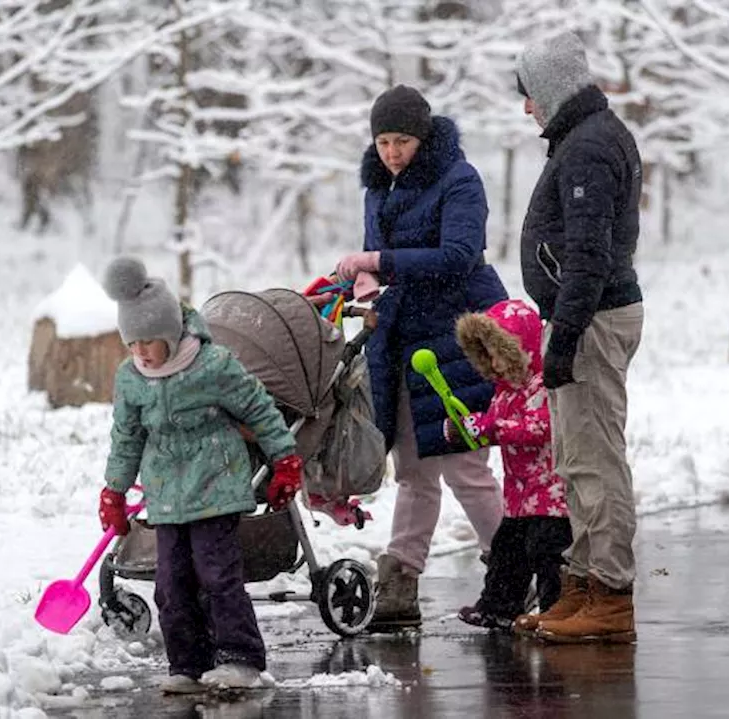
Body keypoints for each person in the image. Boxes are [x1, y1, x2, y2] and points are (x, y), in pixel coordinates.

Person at [332, 84, 508, 630]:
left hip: (454, 336)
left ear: (423, 135)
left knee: (464, 465)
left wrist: (379, 259)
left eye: (402, 140)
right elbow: (384, 263)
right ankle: (401, 580)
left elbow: (459, 255)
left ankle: (517, 569)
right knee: (411, 469)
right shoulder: (377, 187)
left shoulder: (459, 179)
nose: (391, 152)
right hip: (399, 339)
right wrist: (365, 277)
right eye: (383, 141)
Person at [97, 256, 305, 691]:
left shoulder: (212, 365)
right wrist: (114, 492)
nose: (140, 353)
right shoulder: (131, 378)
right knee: (170, 585)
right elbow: (127, 438)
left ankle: (240, 657)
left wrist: (284, 458)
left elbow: (260, 410)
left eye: (148, 343)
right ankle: (187, 664)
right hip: (167, 497)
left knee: (218, 576)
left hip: (216, 485)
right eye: (132, 345)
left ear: (170, 334)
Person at [511, 31, 645, 644]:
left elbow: (588, 253)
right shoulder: (583, 139)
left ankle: (610, 596)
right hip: (580, 317)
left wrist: (565, 335)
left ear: (553, 90)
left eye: (531, 95)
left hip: (589, 319)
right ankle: (584, 585)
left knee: (595, 463)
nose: (527, 108)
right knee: (574, 461)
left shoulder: (589, 147)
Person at [447, 299, 572, 630]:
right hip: (519, 496)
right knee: (507, 552)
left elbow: (542, 427)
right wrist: (469, 429)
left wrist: (493, 429)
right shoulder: (504, 391)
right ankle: (499, 605)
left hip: (550, 495)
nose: (496, 363)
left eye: (502, 353)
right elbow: (493, 424)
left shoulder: (543, 385)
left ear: (524, 348)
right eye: (488, 355)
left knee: (548, 555)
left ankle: (554, 610)